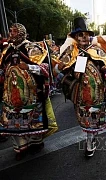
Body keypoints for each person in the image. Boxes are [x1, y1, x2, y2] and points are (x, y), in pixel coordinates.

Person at [57, 17, 106, 157]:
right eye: (80, 35)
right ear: (75, 37)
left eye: (86, 34)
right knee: (86, 119)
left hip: (97, 93)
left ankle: (91, 139)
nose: (84, 37)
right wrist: (65, 79)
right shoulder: (71, 51)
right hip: (81, 94)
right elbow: (60, 70)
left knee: (94, 117)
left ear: (90, 36)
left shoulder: (96, 50)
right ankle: (90, 139)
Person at [0, 23, 57, 160]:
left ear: (21, 33)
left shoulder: (32, 48)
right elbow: (2, 67)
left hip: (31, 94)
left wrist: (29, 67)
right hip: (11, 94)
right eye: (10, 31)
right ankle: (21, 148)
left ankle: (35, 144)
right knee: (13, 122)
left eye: (14, 31)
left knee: (32, 120)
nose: (11, 34)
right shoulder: (7, 50)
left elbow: (45, 68)